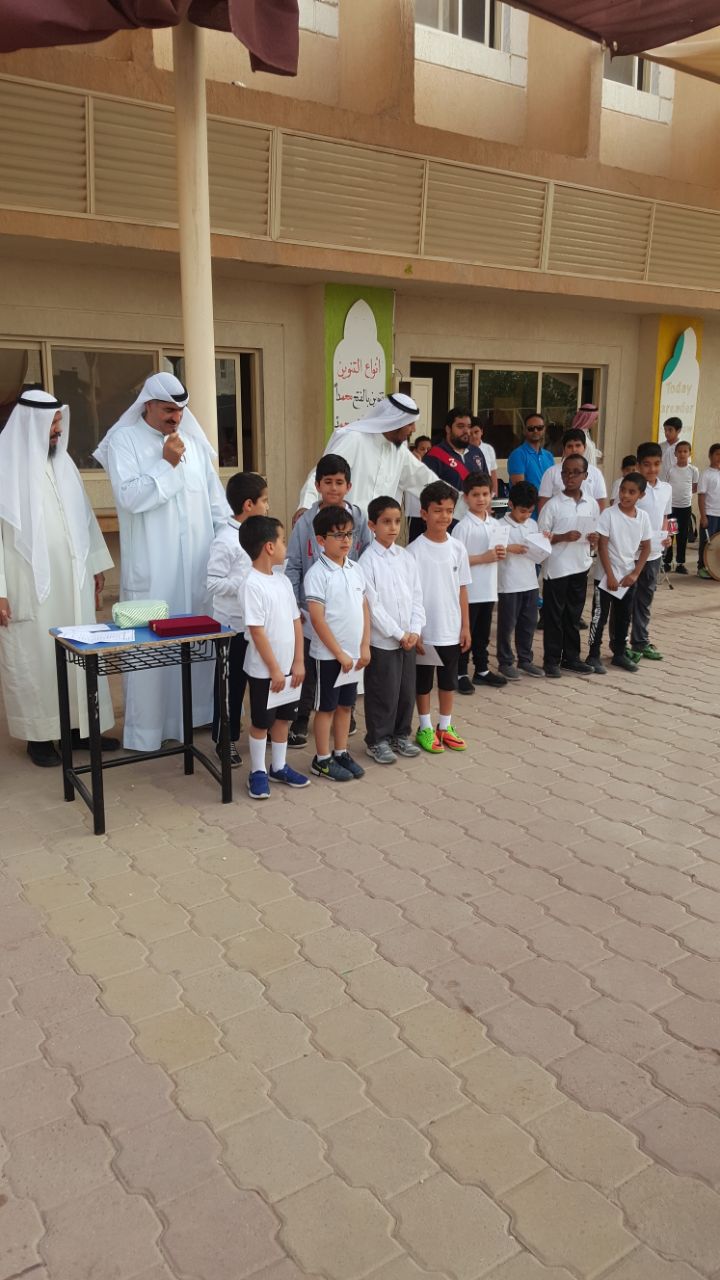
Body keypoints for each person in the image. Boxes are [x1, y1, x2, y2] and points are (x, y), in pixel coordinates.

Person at [94, 372, 230, 751]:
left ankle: (197, 716)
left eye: (181, 410)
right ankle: (149, 730)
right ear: (148, 405)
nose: (176, 417)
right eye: (169, 410)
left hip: (196, 568)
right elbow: (130, 498)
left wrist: (231, 544)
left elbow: (216, 505)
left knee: (197, 645)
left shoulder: (194, 445)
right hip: (154, 572)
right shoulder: (124, 441)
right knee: (152, 652)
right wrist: (166, 464)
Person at [0, 389, 117, 767]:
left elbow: (84, 517)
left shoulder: (63, 462)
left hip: (73, 582)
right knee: (35, 657)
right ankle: (38, 738)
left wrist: (95, 564)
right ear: (30, 424)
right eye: (51, 424)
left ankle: (79, 731)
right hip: (27, 586)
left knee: (78, 654)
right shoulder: (4, 465)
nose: (57, 430)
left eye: (58, 422)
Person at [286, 454, 371, 748]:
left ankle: (346, 712)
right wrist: (296, 606)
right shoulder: (304, 522)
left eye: (339, 482)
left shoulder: (358, 518)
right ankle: (301, 716)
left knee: (347, 661)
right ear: (318, 485)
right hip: (313, 609)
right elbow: (294, 565)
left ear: (348, 486)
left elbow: (367, 555)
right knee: (311, 665)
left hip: (347, 608)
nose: (334, 488)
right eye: (328, 482)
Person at [239, 516, 310, 799]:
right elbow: (257, 632)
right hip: (264, 672)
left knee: (283, 719)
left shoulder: (282, 581)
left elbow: (295, 621)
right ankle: (257, 771)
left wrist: (298, 661)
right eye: (282, 541)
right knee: (262, 722)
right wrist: (274, 670)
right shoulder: (251, 584)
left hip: (289, 668)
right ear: (269, 547)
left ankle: (278, 767)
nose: (285, 546)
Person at [206, 471, 268, 767]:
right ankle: (225, 739)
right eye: (264, 500)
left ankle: (261, 731)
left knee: (259, 680)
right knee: (230, 686)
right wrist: (245, 583)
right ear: (248, 504)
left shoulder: (261, 534)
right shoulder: (225, 540)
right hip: (231, 628)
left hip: (257, 626)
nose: (267, 506)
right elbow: (213, 583)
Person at [304, 505, 370, 782]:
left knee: (346, 706)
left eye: (349, 534)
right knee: (326, 708)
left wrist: (364, 645)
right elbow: (317, 620)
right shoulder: (317, 574)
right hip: (329, 656)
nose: (346, 540)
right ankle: (321, 759)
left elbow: (364, 608)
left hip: (353, 655)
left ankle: (341, 752)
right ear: (321, 540)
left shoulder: (355, 569)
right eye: (338, 535)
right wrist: (339, 653)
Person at [406, 480, 471, 755]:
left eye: (449, 510)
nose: (444, 516)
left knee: (448, 680)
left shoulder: (458, 548)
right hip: (425, 631)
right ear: (424, 513)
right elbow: (410, 596)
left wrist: (465, 626)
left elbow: (462, 588)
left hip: (451, 628)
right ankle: (424, 727)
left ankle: (445, 725)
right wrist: (416, 629)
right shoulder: (413, 551)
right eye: (437, 510)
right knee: (423, 682)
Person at [358, 496, 425, 765]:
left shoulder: (406, 557)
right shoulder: (367, 561)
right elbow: (372, 606)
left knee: (406, 690)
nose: (393, 527)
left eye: (397, 521)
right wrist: (399, 634)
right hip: (384, 641)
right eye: (386, 522)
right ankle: (377, 740)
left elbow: (417, 596)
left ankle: (401, 734)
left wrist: (414, 630)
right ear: (372, 525)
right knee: (382, 691)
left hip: (408, 639)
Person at [296, 394, 435, 517]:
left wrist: (448, 499)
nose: (414, 429)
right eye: (410, 424)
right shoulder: (353, 439)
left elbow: (423, 480)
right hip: (344, 532)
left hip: (379, 535)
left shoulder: (400, 451)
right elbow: (321, 475)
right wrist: (305, 507)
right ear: (395, 422)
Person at [538, 456, 599, 677]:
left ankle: (571, 658)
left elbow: (596, 531)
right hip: (557, 568)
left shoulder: (591, 503)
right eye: (566, 472)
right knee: (554, 616)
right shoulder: (553, 505)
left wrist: (594, 539)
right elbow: (540, 538)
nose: (570, 477)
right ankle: (551, 660)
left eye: (575, 472)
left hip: (580, 566)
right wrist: (562, 536)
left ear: (585, 476)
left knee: (573, 615)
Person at [587, 473, 652, 673]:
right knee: (599, 616)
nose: (625, 495)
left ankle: (620, 653)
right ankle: (593, 654)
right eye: (623, 490)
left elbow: (647, 547)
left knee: (624, 617)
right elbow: (603, 546)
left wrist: (635, 574)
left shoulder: (643, 517)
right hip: (606, 577)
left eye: (631, 492)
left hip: (627, 578)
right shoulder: (609, 514)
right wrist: (610, 576)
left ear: (641, 495)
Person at [451, 472, 507, 693]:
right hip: (470, 591)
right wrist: (483, 558)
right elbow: (454, 561)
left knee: (483, 634)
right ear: (466, 497)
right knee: (466, 633)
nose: (481, 499)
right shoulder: (462, 527)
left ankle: (482, 670)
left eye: (485, 494)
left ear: (492, 495)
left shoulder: (495, 524)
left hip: (488, 588)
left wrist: (499, 554)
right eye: (475, 495)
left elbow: (497, 553)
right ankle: (460, 673)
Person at [496, 481, 546, 680]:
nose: (526, 515)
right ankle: (505, 662)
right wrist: (510, 548)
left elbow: (537, 550)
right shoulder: (499, 526)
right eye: (522, 511)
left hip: (530, 582)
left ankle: (525, 660)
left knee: (528, 623)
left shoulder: (532, 524)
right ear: (511, 505)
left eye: (530, 512)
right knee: (507, 624)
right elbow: (493, 551)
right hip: (508, 584)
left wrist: (544, 541)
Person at [627, 442, 672, 662]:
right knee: (626, 600)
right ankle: (620, 644)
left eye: (656, 464)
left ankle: (640, 641)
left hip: (653, 555)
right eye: (646, 464)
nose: (652, 469)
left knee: (645, 599)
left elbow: (664, 516)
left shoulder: (666, 489)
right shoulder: (631, 488)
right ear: (638, 465)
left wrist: (665, 535)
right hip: (630, 555)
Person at [537, 429, 608, 513]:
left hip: (587, 520)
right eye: (569, 446)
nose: (574, 449)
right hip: (559, 520)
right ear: (564, 449)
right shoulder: (551, 472)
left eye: (578, 445)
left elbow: (601, 503)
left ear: (584, 447)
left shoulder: (595, 473)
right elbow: (543, 504)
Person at [424, 408, 489, 499]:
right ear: (448, 429)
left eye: (469, 426)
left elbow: (486, 484)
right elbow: (427, 494)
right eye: (460, 426)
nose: (466, 431)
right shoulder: (434, 456)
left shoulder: (476, 452)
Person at [663, 441, 698, 575]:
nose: (682, 454)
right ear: (675, 454)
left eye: (685, 451)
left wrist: (685, 498)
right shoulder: (670, 470)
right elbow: (666, 487)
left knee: (682, 535)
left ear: (689, 453)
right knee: (670, 534)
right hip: (672, 508)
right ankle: (667, 562)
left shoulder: (693, 470)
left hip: (685, 508)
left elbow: (694, 487)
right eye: (680, 451)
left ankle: (680, 563)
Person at [507, 414, 555, 499]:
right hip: (528, 506)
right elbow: (520, 490)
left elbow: (554, 484)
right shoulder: (517, 455)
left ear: (544, 429)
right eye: (531, 428)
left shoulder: (549, 456)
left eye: (539, 428)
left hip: (548, 505)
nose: (535, 431)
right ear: (524, 431)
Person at [697, 443, 720, 579]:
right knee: (707, 543)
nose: (719, 457)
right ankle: (702, 567)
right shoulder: (706, 474)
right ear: (710, 456)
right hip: (710, 514)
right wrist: (703, 516)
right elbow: (701, 496)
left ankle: (715, 569)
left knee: (718, 544)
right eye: (717, 454)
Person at [405, 436, 432, 543]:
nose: (426, 452)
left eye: (428, 449)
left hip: (429, 513)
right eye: (422, 449)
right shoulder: (410, 464)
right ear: (415, 450)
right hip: (414, 512)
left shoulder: (434, 465)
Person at [470, 417, 498, 496]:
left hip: (487, 490)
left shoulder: (488, 448)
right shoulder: (464, 450)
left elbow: (493, 473)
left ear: (482, 431)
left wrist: (495, 494)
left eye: (476, 432)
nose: (474, 436)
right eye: (470, 433)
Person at [571, 404, 602, 468]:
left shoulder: (585, 433)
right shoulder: (576, 435)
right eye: (595, 418)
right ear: (588, 419)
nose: (596, 422)